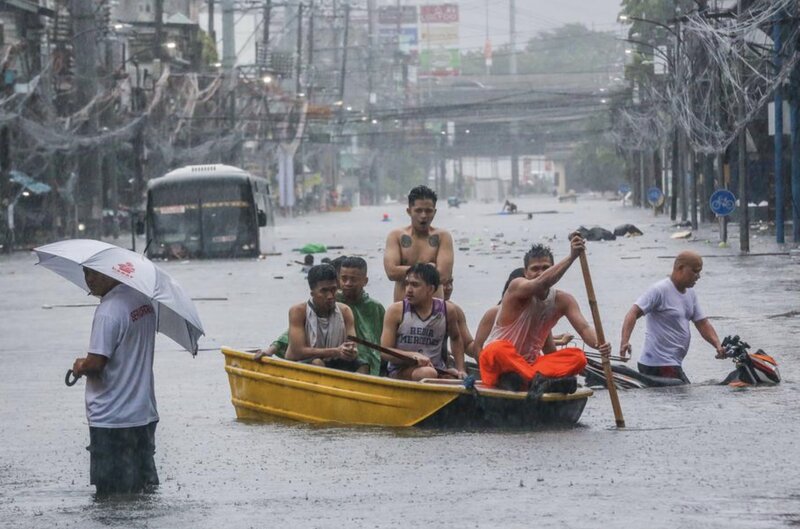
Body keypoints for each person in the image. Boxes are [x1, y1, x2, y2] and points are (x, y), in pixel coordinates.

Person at [477, 236, 611, 390]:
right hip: (500, 366)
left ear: (553, 268)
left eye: (546, 268)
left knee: (578, 357)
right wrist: (571, 257)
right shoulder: (517, 286)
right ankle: (539, 381)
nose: (540, 273)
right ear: (525, 273)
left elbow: (584, 328)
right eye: (535, 269)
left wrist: (599, 344)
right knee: (496, 349)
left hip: (531, 366)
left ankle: (532, 380)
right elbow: (541, 283)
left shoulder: (563, 300)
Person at [70, 267, 159, 495]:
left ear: (111, 272)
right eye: (86, 273)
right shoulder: (143, 302)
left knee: (110, 498)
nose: (89, 280)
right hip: (143, 415)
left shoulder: (108, 311)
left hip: (112, 420)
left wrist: (80, 365)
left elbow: (96, 363)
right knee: (142, 492)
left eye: (95, 273)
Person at [619, 250, 725, 383]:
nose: (698, 276)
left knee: (685, 391)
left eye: (699, 272)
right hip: (658, 364)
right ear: (680, 268)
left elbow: (702, 323)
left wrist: (717, 345)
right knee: (685, 392)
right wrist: (624, 342)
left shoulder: (691, 294)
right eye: (695, 271)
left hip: (672, 362)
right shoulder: (659, 290)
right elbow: (633, 313)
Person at [381, 263, 466, 381]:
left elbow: (456, 338)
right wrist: (412, 356)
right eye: (407, 284)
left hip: (437, 369)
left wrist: (461, 369)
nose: (409, 290)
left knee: (452, 374)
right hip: (402, 370)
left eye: (415, 285)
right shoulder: (395, 311)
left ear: (430, 289)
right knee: (427, 372)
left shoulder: (448, 310)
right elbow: (385, 352)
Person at [285, 264, 368, 373]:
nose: (330, 296)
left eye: (333, 289)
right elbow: (298, 351)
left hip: (333, 360)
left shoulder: (345, 311)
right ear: (312, 293)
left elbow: (352, 345)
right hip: (302, 362)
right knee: (317, 363)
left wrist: (350, 351)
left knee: (363, 365)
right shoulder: (298, 312)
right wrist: (336, 351)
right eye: (324, 291)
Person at [384, 185, 454, 302]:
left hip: (434, 309)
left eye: (428, 211)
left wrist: (406, 271)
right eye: (418, 210)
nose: (423, 216)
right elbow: (391, 272)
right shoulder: (396, 236)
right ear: (409, 211)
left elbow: (443, 276)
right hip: (403, 307)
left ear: (434, 212)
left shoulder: (443, 237)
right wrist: (429, 269)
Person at [336, 256, 386, 376]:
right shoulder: (332, 303)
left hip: (370, 362)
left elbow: (384, 342)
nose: (348, 283)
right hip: (338, 358)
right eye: (344, 278)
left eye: (353, 279)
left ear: (365, 281)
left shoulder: (375, 307)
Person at [441, 277, 475, 362]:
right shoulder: (408, 309)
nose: (449, 288)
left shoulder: (454, 310)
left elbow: (467, 345)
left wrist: (487, 348)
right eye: (444, 284)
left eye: (451, 283)